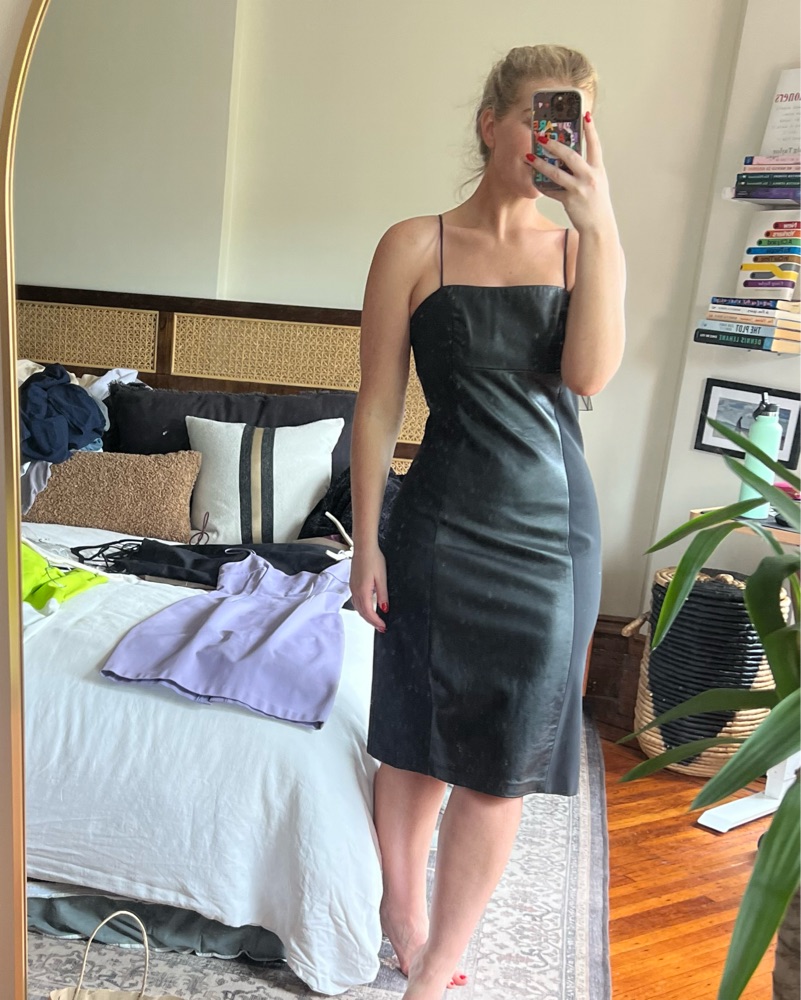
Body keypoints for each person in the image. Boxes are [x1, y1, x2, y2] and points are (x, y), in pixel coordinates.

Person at [350, 43, 625, 1000]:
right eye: (543, 117)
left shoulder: (582, 248)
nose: (558, 139)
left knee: (502, 762)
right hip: (435, 526)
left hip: (550, 541)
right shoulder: (411, 245)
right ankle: (402, 910)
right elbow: (376, 406)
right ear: (490, 124)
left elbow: (587, 376)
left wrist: (600, 222)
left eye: (576, 123)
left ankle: (438, 966)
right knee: (415, 737)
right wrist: (366, 542)